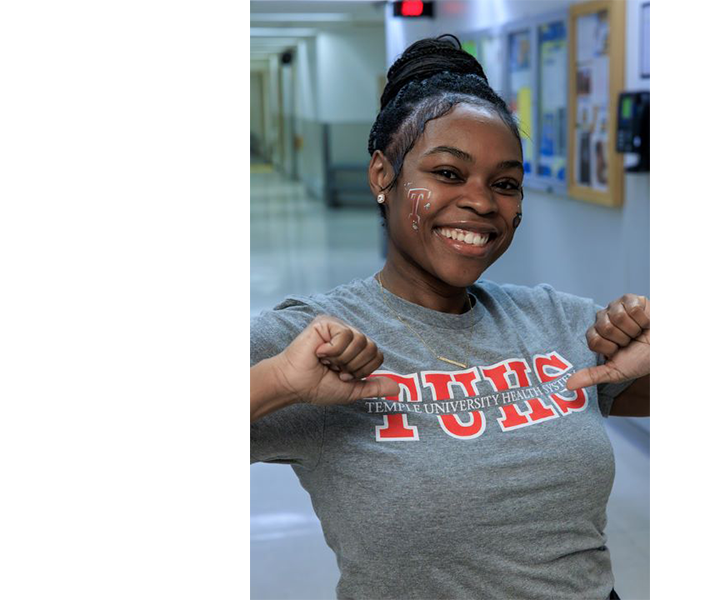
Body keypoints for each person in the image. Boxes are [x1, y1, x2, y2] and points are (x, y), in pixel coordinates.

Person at [250, 34, 650, 600]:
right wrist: (277, 382)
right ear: (383, 177)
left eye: (505, 184)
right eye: (447, 173)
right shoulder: (309, 340)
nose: (483, 202)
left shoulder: (555, 319)